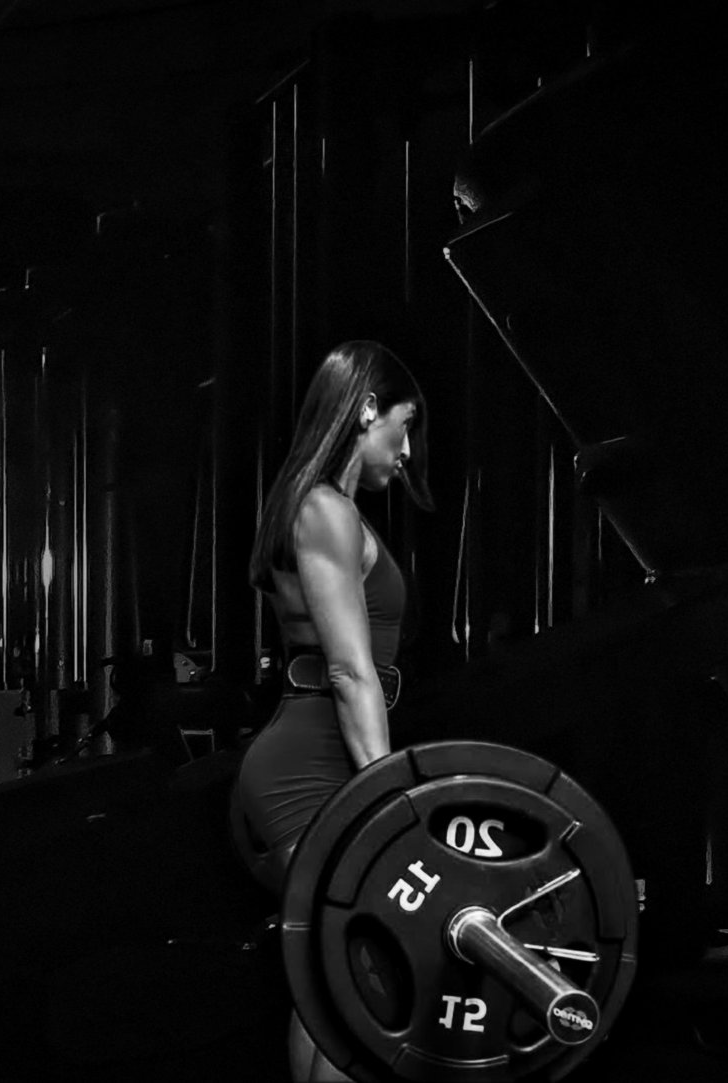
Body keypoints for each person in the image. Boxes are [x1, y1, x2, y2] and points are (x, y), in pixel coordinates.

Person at [235, 340, 432, 1081]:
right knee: (362, 985)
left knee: (331, 985)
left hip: (319, 753)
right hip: (315, 763)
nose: (407, 451)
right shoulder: (324, 508)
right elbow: (351, 671)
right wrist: (387, 798)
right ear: (368, 409)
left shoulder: (326, 508)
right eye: (403, 426)